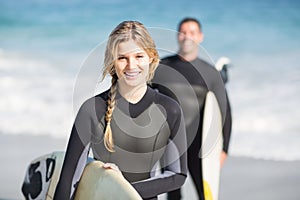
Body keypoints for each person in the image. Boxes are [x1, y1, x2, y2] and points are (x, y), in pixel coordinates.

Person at [53, 21, 187, 200]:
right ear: (112, 62)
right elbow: (69, 180)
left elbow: (176, 176)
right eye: (122, 58)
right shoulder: (93, 109)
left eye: (139, 56)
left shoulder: (170, 110)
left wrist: (120, 188)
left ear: (151, 58)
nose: (131, 66)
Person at [151, 17, 232, 200]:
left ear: (200, 37)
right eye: (183, 32)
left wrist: (224, 148)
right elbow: (142, 99)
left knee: (205, 194)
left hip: (199, 146)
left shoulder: (210, 73)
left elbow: (225, 112)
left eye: (192, 32)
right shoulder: (161, 68)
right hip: (169, 144)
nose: (187, 36)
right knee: (173, 195)